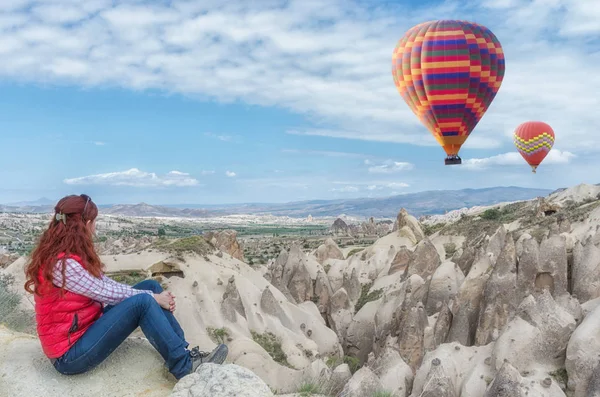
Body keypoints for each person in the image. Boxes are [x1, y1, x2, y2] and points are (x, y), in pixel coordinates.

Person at [24, 194, 228, 379]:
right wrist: (153, 299)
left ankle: (183, 353)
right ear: (85, 224)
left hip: (84, 331)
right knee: (145, 300)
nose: (95, 228)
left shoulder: (69, 255)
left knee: (151, 285)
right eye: (94, 222)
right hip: (68, 355)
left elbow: (103, 283)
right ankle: (184, 367)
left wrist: (152, 294)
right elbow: (104, 292)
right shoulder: (63, 264)